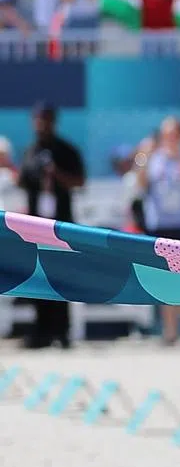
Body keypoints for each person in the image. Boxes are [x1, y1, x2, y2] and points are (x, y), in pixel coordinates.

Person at [17, 104, 86, 348]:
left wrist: (56, 175)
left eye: (45, 120)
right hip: (36, 226)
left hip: (61, 225)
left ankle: (62, 331)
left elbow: (79, 181)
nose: (41, 125)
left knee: (62, 278)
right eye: (37, 120)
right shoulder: (30, 152)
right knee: (38, 278)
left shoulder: (66, 151)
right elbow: (22, 181)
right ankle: (41, 330)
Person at [134, 116, 180, 345]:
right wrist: (143, 156)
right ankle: (170, 332)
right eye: (166, 135)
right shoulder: (153, 159)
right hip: (160, 227)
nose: (169, 139)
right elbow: (140, 185)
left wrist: (179, 156)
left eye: (173, 135)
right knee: (164, 280)